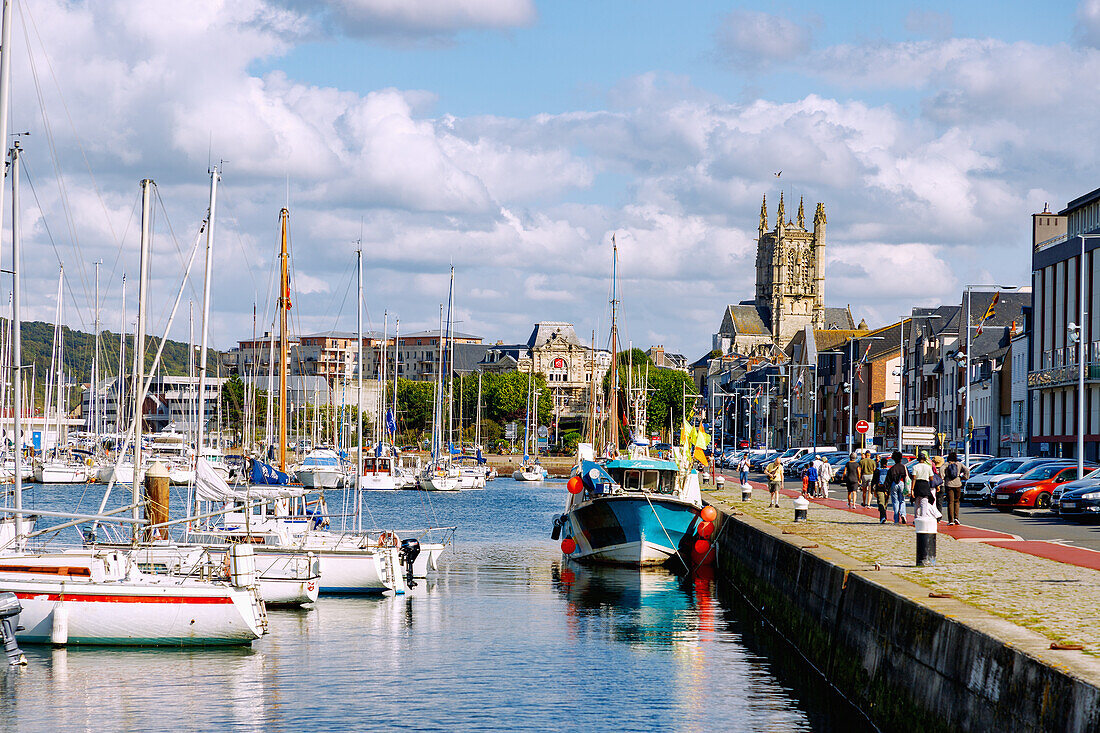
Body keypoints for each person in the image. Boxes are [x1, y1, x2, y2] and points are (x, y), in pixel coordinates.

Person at [910, 452, 940, 519]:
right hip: (925, 485)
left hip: (917, 485)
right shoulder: (928, 467)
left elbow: (914, 478)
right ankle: (923, 517)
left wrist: (912, 489)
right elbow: (931, 478)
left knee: (917, 503)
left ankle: (916, 518)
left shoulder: (915, 467)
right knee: (924, 503)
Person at [942, 451, 968, 525]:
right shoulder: (959, 464)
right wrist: (964, 477)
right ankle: (956, 518)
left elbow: (941, 470)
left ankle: (950, 520)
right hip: (958, 484)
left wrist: (943, 478)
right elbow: (967, 470)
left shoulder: (946, 464)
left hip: (949, 484)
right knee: (957, 501)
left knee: (950, 502)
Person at [886, 451, 909, 524]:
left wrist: (887, 489)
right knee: (902, 500)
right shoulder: (903, 467)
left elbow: (888, 480)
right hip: (902, 483)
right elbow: (907, 477)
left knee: (895, 502)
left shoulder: (892, 468)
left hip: (894, 484)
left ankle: (896, 519)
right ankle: (903, 514)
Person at [870, 455, 890, 523]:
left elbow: (873, 480)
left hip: (879, 488)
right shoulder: (888, 471)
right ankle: (884, 516)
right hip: (887, 489)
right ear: (886, 463)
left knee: (881, 502)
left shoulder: (877, 470)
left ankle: (883, 517)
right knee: (885, 504)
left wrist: (872, 490)